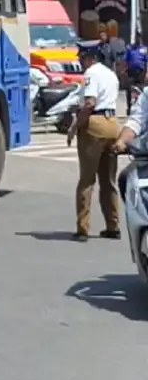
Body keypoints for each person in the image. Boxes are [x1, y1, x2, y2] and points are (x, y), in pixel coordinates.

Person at [68, 40, 122, 241]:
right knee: (108, 181)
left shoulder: (91, 74)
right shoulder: (111, 74)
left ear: (89, 57)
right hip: (112, 124)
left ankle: (83, 228)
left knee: (87, 180)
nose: (81, 62)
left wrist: (75, 126)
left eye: (82, 58)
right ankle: (113, 226)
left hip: (95, 125)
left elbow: (90, 103)